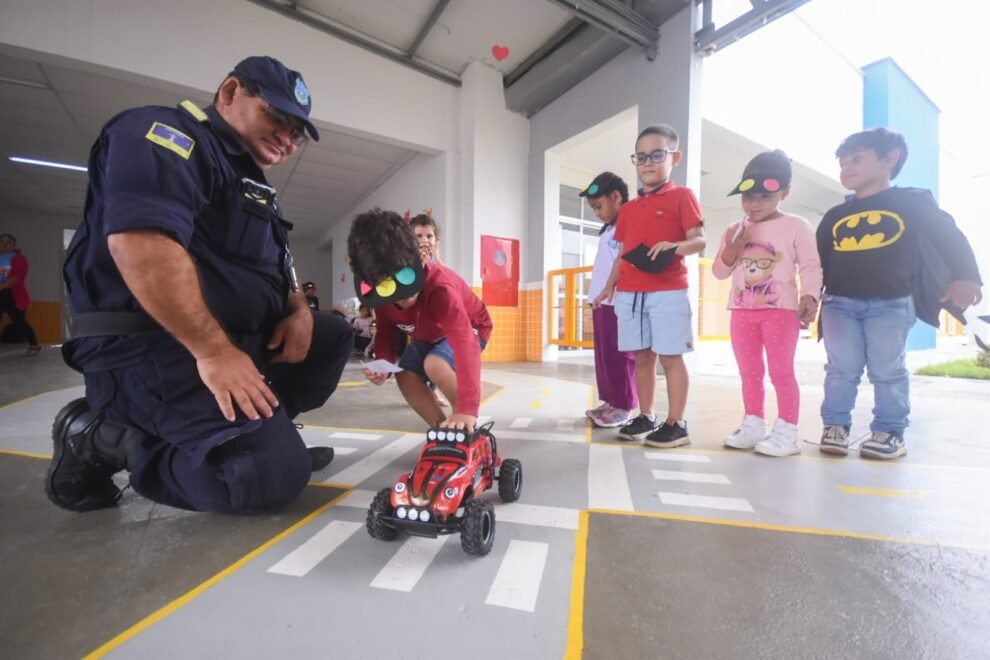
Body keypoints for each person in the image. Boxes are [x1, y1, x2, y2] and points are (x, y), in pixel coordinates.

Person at [46, 56, 354, 514]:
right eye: (277, 117)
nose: (287, 139)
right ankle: (103, 438)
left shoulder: (254, 185)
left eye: (297, 133)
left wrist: (298, 310)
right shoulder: (165, 135)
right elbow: (144, 245)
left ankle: (256, 437)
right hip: (148, 344)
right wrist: (214, 352)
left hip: (223, 341)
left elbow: (279, 269)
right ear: (230, 93)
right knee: (266, 480)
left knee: (334, 337)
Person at [816, 127, 983, 460]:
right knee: (840, 369)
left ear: (889, 159)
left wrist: (967, 276)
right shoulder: (836, 215)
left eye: (857, 159)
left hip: (891, 304)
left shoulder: (911, 202)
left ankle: (890, 431)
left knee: (887, 371)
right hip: (839, 304)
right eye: (843, 162)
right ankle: (835, 426)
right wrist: (809, 296)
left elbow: (950, 236)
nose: (846, 167)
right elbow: (819, 260)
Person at [592, 125, 706, 447]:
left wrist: (675, 246)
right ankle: (646, 415)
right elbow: (623, 256)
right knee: (642, 357)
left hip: (668, 291)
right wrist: (608, 287)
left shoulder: (683, 197)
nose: (647, 163)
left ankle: (677, 423)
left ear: (675, 157)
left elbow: (700, 239)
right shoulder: (627, 210)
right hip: (629, 293)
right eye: (641, 157)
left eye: (657, 154)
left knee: (670, 357)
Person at [712, 151, 822, 457]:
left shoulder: (796, 226)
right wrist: (732, 250)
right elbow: (720, 273)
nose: (754, 203)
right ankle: (754, 424)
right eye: (748, 196)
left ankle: (788, 432)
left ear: (785, 192)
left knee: (781, 372)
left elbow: (811, 265)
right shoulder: (734, 229)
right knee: (749, 372)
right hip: (741, 313)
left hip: (780, 312)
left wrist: (810, 296)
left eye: (764, 195)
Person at [349, 208, 492, 432]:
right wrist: (384, 364)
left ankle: (468, 427)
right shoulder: (380, 294)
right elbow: (386, 332)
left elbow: (464, 342)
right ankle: (443, 432)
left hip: (470, 327)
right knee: (405, 375)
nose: (405, 302)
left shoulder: (441, 288)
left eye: (409, 291)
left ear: (421, 259)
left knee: (435, 364)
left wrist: (467, 408)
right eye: (395, 297)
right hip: (428, 333)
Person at [579, 173, 638, 428]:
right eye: (593, 208)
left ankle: (624, 405)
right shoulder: (610, 229)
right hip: (602, 301)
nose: (597, 213)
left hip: (620, 300)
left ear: (616, 197)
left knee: (621, 355)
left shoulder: (631, 224)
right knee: (604, 355)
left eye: (598, 206)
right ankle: (611, 401)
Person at [409, 212, 450, 407]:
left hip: (440, 324)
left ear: (436, 240)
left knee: (440, 360)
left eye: (429, 236)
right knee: (422, 362)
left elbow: (449, 280)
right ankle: (428, 392)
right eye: (418, 236)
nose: (424, 240)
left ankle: (436, 390)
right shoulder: (407, 264)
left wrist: (437, 256)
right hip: (420, 324)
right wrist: (419, 262)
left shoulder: (437, 263)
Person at [0, 233, 42, 357]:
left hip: (12, 295)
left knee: (19, 322)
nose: (4, 244)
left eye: (9, 242)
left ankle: (34, 345)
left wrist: (2, 285)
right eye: (2, 241)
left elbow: (18, 276)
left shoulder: (19, 258)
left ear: (13, 246)